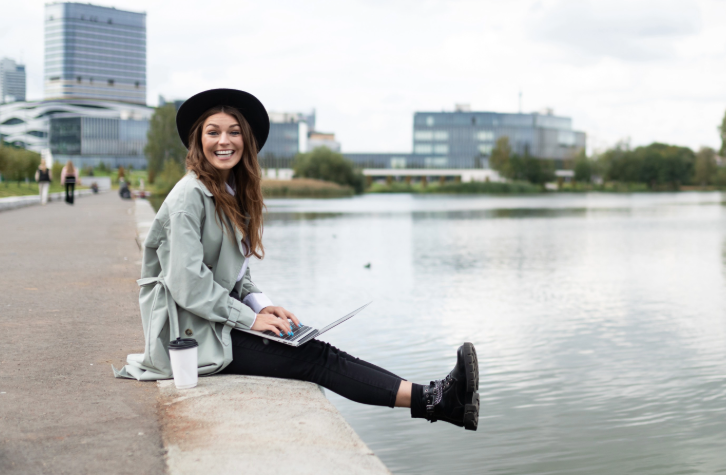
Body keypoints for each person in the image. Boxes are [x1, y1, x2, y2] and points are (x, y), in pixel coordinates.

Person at [114, 89, 479, 431]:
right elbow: (188, 284)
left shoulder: (227, 192)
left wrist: (263, 307)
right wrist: (249, 319)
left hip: (212, 322)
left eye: (234, 132)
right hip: (191, 336)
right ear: (199, 140)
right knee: (315, 359)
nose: (224, 141)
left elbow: (235, 273)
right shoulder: (188, 198)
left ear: (247, 141)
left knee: (317, 348)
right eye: (213, 132)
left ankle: (436, 397)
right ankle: (436, 401)